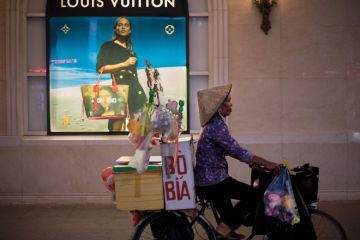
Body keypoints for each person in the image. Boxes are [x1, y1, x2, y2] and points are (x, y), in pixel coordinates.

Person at [195, 84, 280, 240]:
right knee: (254, 196)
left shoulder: (213, 124)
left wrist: (252, 162)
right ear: (219, 107)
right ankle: (224, 228)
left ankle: (225, 229)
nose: (231, 104)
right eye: (228, 102)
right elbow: (237, 151)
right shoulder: (217, 126)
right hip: (213, 180)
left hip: (209, 178)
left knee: (230, 218)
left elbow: (226, 149)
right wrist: (269, 164)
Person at [96, 16, 147, 131]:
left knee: (139, 130)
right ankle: (114, 149)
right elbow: (100, 69)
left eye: (126, 25)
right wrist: (124, 64)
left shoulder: (130, 50)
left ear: (130, 29)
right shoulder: (108, 46)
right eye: (120, 24)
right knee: (116, 128)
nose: (123, 27)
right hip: (119, 90)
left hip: (135, 90)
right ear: (115, 29)